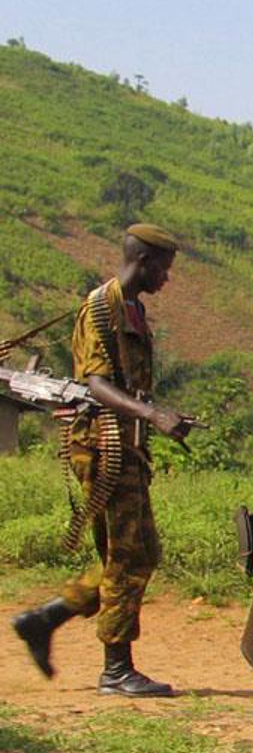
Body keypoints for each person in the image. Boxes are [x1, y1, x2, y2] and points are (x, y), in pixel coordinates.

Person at [11, 223, 193, 694]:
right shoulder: (100, 308)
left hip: (126, 444)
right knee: (128, 556)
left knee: (141, 552)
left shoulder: (133, 308)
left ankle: (47, 618)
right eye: (164, 269)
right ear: (144, 261)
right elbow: (95, 384)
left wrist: (158, 416)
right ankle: (116, 669)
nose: (167, 278)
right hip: (102, 445)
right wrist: (153, 414)